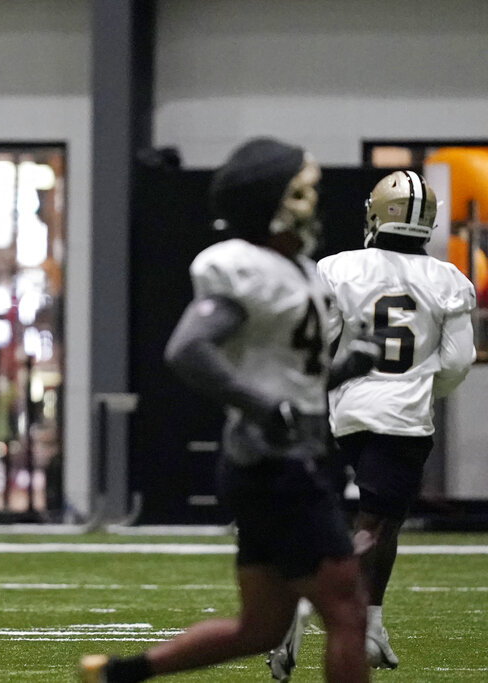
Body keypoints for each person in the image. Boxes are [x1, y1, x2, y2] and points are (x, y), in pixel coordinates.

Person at [80, 137, 378, 682]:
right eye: (304, 190)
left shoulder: (299, 271)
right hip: (276, 466)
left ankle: (117, 674)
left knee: (261, 628)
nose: (316, 201)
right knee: (347, 610)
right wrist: (264, 406)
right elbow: (188, 349)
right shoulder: (245, 268)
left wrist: (346, 369)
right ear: (276, 201)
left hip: (279, 462)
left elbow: (293, 382)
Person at [267, 170, 476, 679]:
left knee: (325, 513)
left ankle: (350, 617)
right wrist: (423, 388)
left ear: (375, 213)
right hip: (404, 414)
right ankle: (341, 611)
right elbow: (457, 362)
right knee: (380, 524)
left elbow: (322, 346)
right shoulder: (450, 279)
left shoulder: (336, 268)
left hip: (339, 407)